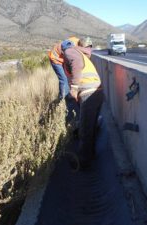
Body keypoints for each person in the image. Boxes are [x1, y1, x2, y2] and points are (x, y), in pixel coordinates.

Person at [61, 37, 103, 170]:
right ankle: (90, 156)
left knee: (85, 130)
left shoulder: (69, 51)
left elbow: (76, 64)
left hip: (89, 92)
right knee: (90, 128)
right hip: (96, 92)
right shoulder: (81, 53)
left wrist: (73, 87)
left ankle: (83, 163)